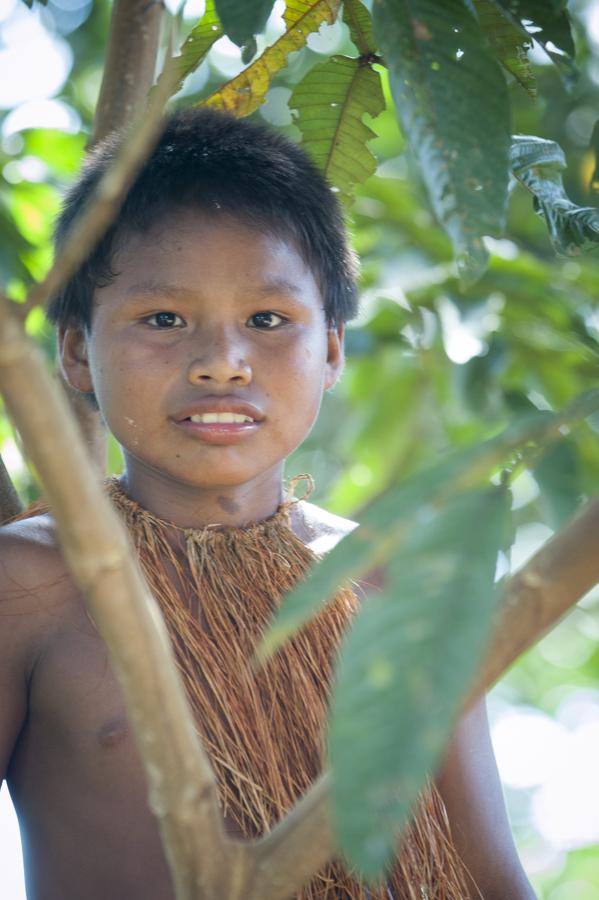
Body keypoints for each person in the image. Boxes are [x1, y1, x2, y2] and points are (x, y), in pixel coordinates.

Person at [0, 108, 536, 900]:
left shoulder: (397, 585)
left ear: (329, 349)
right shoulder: (28, 585)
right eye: (163, 319)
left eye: (266, 319)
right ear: (77, 351)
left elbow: (490, 878)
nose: (221, 362)